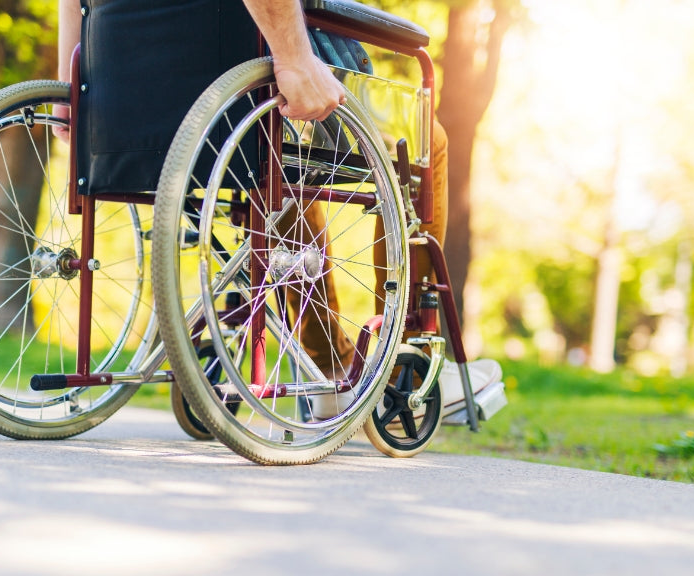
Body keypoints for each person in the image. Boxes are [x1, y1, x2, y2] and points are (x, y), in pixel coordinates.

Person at [57, 0, 453, 417]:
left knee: (289, 161)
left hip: (132, 107)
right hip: (248, 84)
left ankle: (329, 362)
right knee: (427, 142)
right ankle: (403, 357)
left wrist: (72, 87)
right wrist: (296, 59)